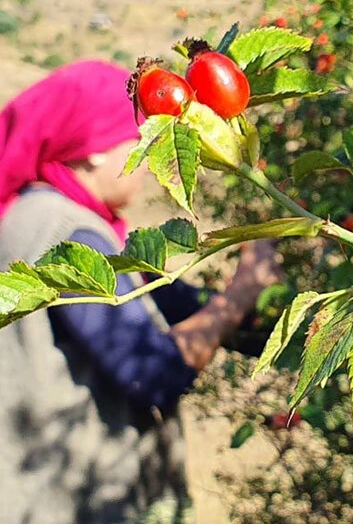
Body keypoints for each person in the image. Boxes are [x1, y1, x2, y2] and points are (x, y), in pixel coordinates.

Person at [0, 61, 282, 523]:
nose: (150, 157)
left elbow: (166, 299)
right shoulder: (65, 232)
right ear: (94, 150)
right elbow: (152, 372)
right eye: (138, 138)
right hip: (73, 504)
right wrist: (241, 292)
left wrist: (275, 324)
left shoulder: (46, 215)